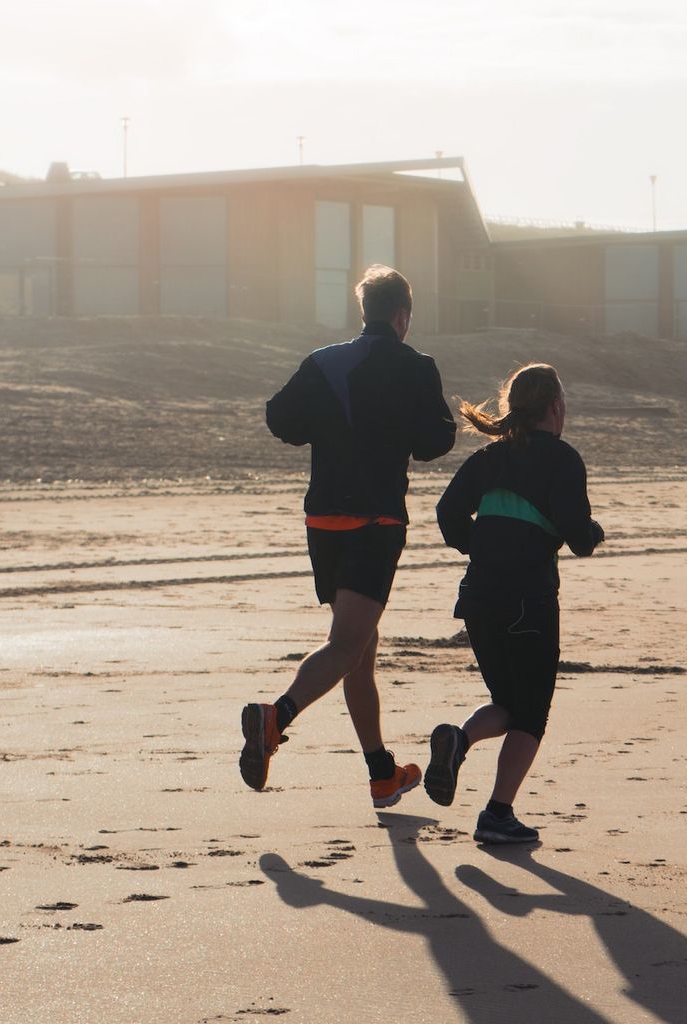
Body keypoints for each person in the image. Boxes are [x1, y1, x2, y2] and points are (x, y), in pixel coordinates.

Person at [240, 265, 456, 806]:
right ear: (403, 316)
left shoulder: (323, 361)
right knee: (346, 644)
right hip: (375, 520)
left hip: (323, 520)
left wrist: (331, 428)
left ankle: (382, 771)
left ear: (365, 311)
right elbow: (436, 441)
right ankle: (275, 717)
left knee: (362, 646)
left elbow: (279, 419)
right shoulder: (415, 366)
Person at [425, 363, 604, 843]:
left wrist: (480, 546)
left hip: (479, 597)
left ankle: (457, 741)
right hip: (529, 600)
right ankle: (497, 814)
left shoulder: (489, 457)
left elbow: (446, 514)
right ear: (556, 407)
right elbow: (578, 537)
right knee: (531, 713)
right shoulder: (562, 460)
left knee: (508, 702)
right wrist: (594, 533)